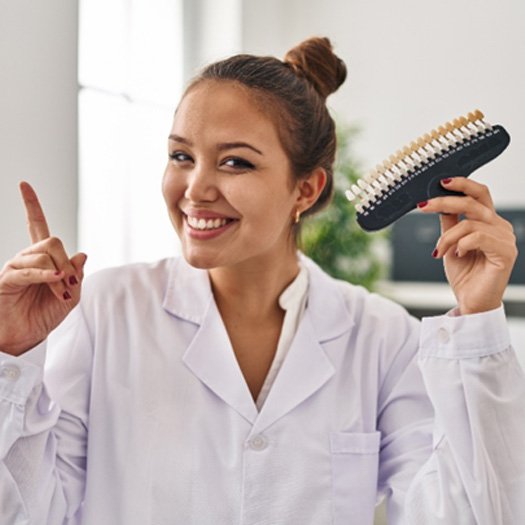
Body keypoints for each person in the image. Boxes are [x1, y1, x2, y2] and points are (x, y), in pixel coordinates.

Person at [0, 36, 523, 525]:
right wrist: (9, 356)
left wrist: (478, 325)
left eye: (235, 162)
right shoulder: (105, 310)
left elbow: (464, 516)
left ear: (305, 189)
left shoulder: (380, 336)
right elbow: (31, 513)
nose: (195, 188)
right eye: (181, 156)